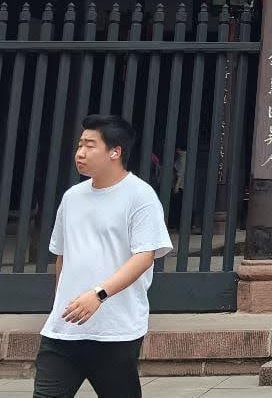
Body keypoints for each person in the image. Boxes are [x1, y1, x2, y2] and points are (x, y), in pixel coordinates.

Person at [33, 115, 173, 398]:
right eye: (79, 145)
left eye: (90, 145)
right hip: (63, 330)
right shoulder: (72, 197)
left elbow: (145, 256)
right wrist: (61, 301)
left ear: (115, 151)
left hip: (115, 330)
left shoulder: (140, 196)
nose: (80, 153)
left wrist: (97, 295)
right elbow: (62, 256)